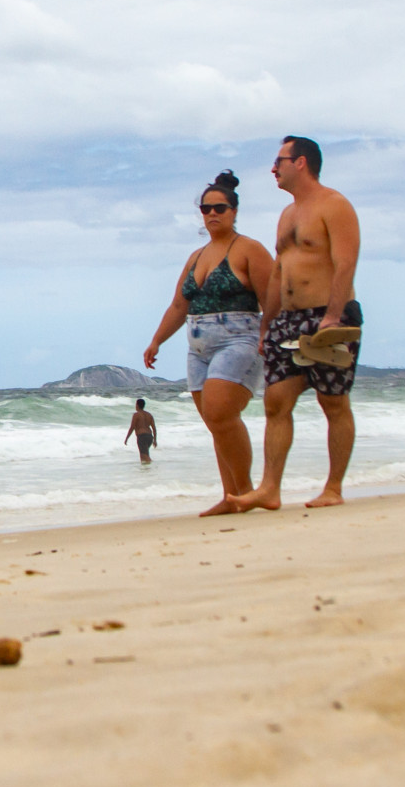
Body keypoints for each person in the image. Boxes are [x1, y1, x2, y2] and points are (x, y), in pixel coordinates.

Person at [231, 135, 361, 511]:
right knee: (276, 402)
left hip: (328, 314)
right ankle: (270, 489)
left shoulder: (334, 205)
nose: (274, 168)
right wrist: (266, 325)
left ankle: (333, 487)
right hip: (287, 321)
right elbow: (277, 274)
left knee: (332, 402)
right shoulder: (287, 214)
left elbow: (346, 262)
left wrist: (333, 316)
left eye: (280, 161)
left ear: (300, 162)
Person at [143, 170, 276, 515]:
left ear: (234, 211)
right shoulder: (196, 256)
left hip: (240, 338)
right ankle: (231, 495)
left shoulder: (249, 249)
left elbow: (272, 299)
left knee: (221, 413)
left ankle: (246, 490)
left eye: (220, 208)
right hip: (197, 346)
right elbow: (178, 305)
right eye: (206, 209)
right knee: (215, 424)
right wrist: (157, 340)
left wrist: (267, 337)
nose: (212, 214)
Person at [123, 398, 158, 463]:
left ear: (137, 405)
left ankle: (153, 467)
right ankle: (146, 471)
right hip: (150, 436)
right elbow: (154, 428)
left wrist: (126, 438)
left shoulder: (136, 415)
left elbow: (132, 427)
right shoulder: (149, 415)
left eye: (136, 404)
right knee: (144, 454)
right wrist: (155, 440)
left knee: (144, 455)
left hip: (142, 436)